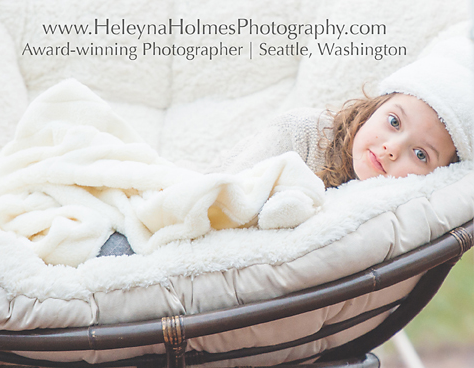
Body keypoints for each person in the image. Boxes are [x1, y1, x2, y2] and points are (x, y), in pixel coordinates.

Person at [99, 36, 473, 257]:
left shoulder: (393, 211)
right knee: (115, 245)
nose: (392, 148)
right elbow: (216, 191)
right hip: (189, 211)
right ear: (376, 105)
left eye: (420, 154)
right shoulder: (301, 134)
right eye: (393, 121)